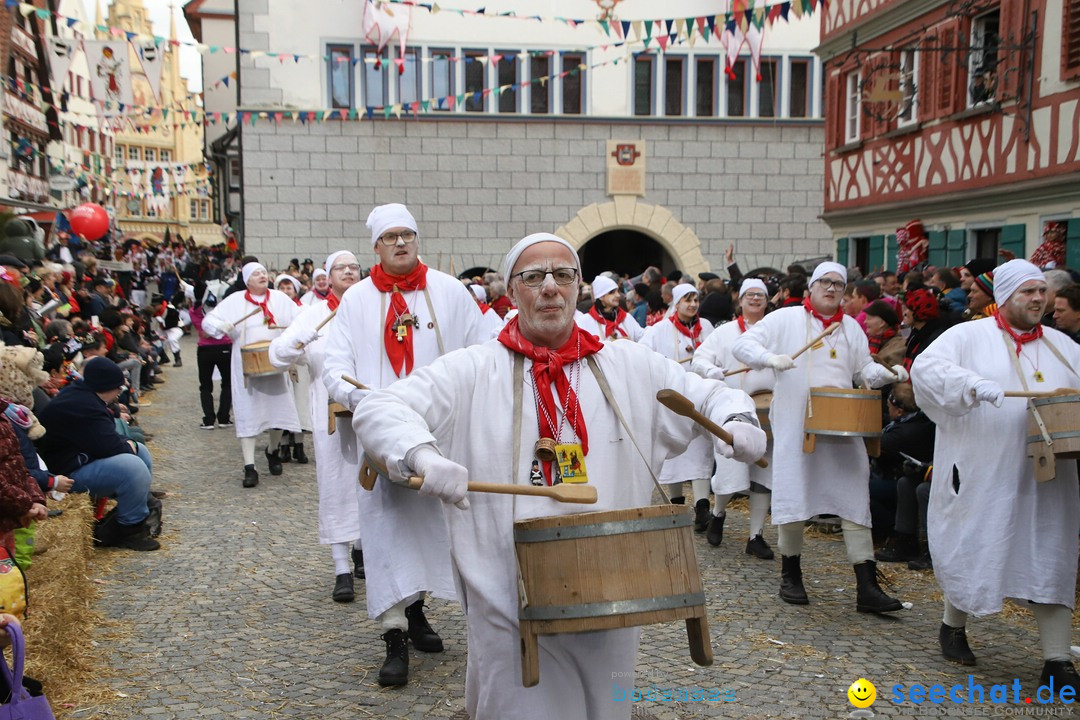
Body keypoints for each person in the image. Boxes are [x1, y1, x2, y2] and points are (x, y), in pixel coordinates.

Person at [352, 232, 765, 720]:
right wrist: (421, 454)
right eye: (533, 277)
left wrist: (738, 418)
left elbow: (708, 392)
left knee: (607, 708)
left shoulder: (626, 364)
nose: (550, 287)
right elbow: (380, 407)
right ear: (512, 290)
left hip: (611, 591)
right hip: (507, 593)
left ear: (578, 286)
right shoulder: (474, 369)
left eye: (563, 275)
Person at [321, 203, 486, 688]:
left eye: (407, 235)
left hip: (441, 430)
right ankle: (394, 631)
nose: (400, 243)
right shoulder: (354, 302)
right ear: (376, 245)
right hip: (382, 436)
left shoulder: (449, 292)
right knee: (387, 529)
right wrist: (363, 400)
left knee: (439, 524)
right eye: (391, 236)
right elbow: (335, 366)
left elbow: (483, 347)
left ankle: (419, 611)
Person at [911, 259, 1080, 691]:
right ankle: (953, 624)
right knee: (977, 544)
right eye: (1028, 292)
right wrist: (969, 384)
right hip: (985, 468)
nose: (1038, 299)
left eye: (1042, 291)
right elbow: (927, 371)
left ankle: (1057, 661)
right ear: (1004, 297)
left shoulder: (1064, 347)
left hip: (1049, 478)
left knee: (1051, 552)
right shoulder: (968, 336)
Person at [732, 261, 908, 613]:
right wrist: (770, 358)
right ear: (811, 288)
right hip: (798, 424)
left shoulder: (851, 330)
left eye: (838, 285)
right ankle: (791, 573)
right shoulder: (785, 319)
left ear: (844, 293)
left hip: (843, 425)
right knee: (794, 491)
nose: (831, 288)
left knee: (855, 494)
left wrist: (887, 374)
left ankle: (866, 585)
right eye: (824, 282)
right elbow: (743, 346)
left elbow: (863, 371)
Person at [269, 251, 364, 603]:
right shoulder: (312, 314)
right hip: (329, 414)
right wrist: (298, 340)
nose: (349, 273)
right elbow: (276, 355)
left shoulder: (373, 308)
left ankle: (364, 550)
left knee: (371, 481)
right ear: (328, 276)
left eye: (354, 267)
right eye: (342, 268)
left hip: (369, 408)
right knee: (336, 482)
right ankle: (342, 566)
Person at [36, 357, 159, 551]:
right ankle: (129, 528)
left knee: (139, 451)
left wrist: (128, 445)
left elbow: (106, 439)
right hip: (64, 474)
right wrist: (128, 447)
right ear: (106, 387)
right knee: (133, 467)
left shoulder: (83, 396)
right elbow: (109, 446)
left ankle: (139, 508)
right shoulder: (84, 405)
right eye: (118, 389)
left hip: (76, 461)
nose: (119, 393)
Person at [690, 278, 775, 558]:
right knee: (729, 469)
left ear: (767, 300)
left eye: (760, 296)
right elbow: (699, 359)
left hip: (767, 412)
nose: (755, 300)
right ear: (740, 299)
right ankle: (718, 513)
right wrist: (711, 371)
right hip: (732, 413)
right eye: (750, 295)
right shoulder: (725, 332)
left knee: (764, 475)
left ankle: (756, 535)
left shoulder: (775, 331)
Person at [201, 262, 302, 488]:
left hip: (275, 361)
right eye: (256, 274)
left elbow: (300, 317)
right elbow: (209, 321)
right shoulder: (235, 300)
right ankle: (249, 467)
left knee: (279, 410)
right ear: (247, 280)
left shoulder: (280, 299)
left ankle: (273, 451)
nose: (262, 276)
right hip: (246, 366)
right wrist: (222, 326)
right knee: (248, 413)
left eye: (264, 272)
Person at [640, 284, 714, 511]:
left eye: (695, 300)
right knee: (675, 449)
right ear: (677, 302)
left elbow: (715, 351)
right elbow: (643, 353)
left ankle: (702, 504)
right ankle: (676, 499)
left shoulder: (706, 328)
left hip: (698, 396)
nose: (692, 305)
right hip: (672, 399)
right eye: (687, 300)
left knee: (701, 449)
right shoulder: (659, 329)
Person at [190, 282, 232, 429]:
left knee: (205, 385)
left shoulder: (194, 311)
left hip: (205, 349)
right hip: (224, 346)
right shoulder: (222, 310)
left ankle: (208, 419)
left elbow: (203, 332)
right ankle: (224, 418)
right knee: (227, 383)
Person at [576, 275, 643, 342]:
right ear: (601, 296)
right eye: (612, 293)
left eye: (617, 291)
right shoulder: (585, 322)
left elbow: (642, 338)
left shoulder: (626, 318)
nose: (618, 295)